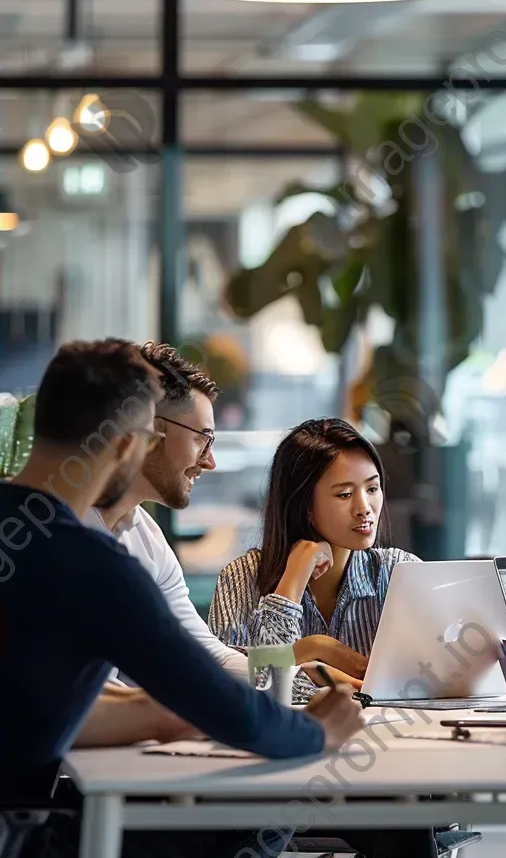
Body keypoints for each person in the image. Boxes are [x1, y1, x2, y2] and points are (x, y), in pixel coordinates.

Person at [0, 340, 364, 858]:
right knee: (264, 816)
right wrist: (315, 733)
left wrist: (161, 709)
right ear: (130, 446)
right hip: (31, 833)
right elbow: (220, 705)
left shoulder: (64, 542)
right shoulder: (91, 565)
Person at [84, 343, 362, 695]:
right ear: (150, 430)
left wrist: (300, 681)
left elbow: (206, 656)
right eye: (203, 439)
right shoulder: (61, 533)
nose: (210, 461)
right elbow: (89, 696)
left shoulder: (144, 535)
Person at [209, 418, 420, 674]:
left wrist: (311, 667)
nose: (364, 507)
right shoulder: (242, 578)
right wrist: (293, 584)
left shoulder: (399, 572)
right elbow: (238, 685)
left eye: (372, 488)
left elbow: (433, 676)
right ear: (304, 505)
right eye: (344, 494)